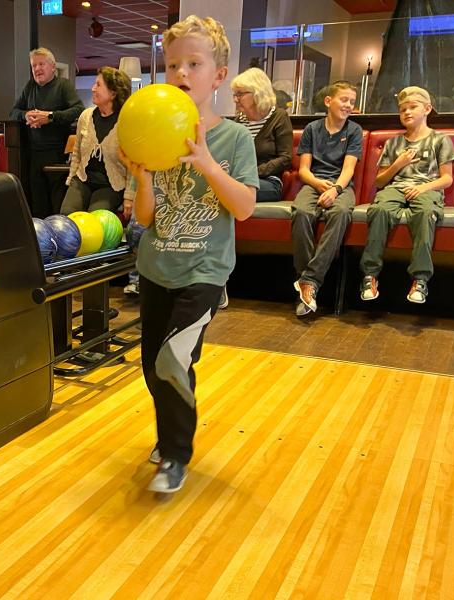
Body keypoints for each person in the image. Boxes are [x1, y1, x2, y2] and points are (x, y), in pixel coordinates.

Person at [121, 15, 258, 494]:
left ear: (218, 75)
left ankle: (175, 456)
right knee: (152, 365)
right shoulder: (157, 135)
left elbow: (243, 207)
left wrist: (205, 162)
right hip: (157, 267)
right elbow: (146, 219)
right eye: (173, 64)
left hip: (205, 271)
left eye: (193, 63)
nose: (181, 73)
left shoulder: (235, 138)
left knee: (174, 361)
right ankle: (168, 437)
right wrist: (142, 178)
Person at [360, 86, 454, 304]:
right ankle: (369, 275)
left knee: (425, 213)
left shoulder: (440, 140)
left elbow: (447, 179)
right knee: (379, 210)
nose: (407, 112)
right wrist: (398, 164)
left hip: (427, 188)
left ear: (427, 109)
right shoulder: (394, 142)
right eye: (403, 109)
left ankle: (420, 279)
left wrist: (422, 188)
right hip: (395, 188)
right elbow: (380, 181)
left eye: (413, 107)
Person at [291, 81, 362, 317]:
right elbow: (303, 170)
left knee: (340, 213)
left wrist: (335, 190)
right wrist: (318, 184)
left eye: (352, 101)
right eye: (344, 100)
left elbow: (348, 170)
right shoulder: (312, 129)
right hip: (314, 182)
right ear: (328, 101)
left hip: (341, 186)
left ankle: (309, 281)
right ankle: (307, 284)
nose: (349, 105)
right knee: (301, 213)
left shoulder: (354, 131)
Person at [9, 48, 84, 218]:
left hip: (57, 154)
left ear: (52, 66)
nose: (37, 69)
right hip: (32, 154)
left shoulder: (63, 85)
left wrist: (50, 117)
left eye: (41, 64)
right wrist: (25, 114)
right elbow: (13, 112)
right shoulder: (30, 87)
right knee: (37, 204)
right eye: (34, 65)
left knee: (56, 203)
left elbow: (79, 109)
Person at [61, 67, 134, 217]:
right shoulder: (85, 116)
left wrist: (129, 196)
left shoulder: (126, 122)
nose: (93, 88)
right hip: (83, 179)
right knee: (67, 215)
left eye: (98, 85)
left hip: (111, 185)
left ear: (113, 93)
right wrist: (71, 179)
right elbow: (77, 153)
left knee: (95, 219)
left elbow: (133, 164)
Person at [231, 67, 292, 202]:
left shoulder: (279, 117)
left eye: (240, 94)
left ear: (258, 93)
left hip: (269, 182)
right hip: (240, 180)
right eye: (234, 94)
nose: (235, 99)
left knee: (231, 191)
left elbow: (285, 158)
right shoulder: (238, 122)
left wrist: (252, 173)